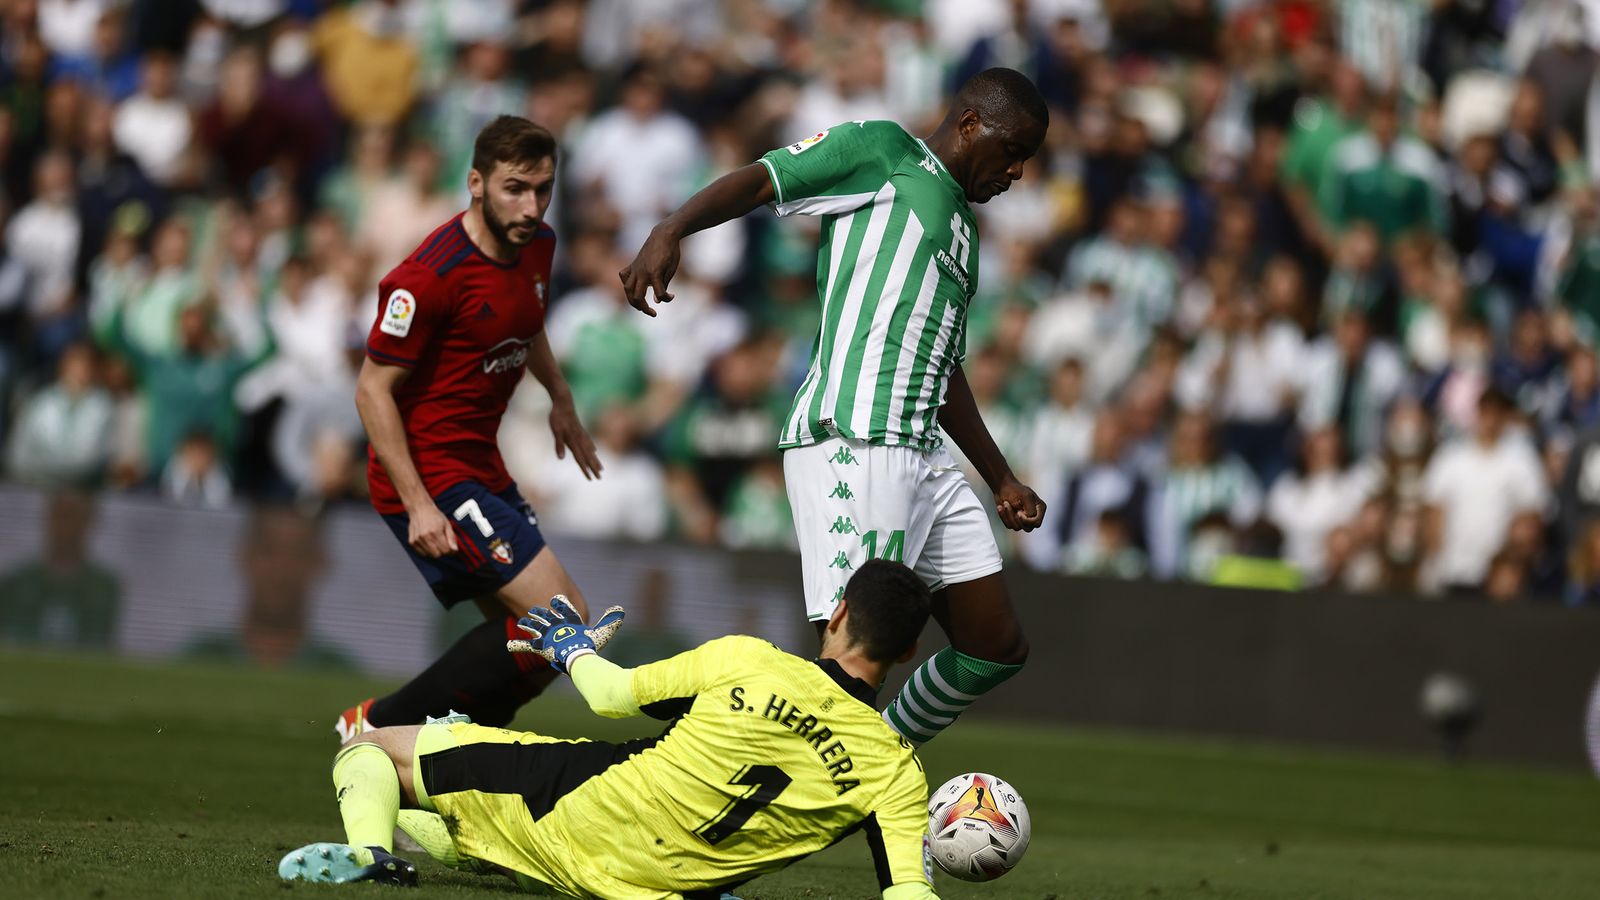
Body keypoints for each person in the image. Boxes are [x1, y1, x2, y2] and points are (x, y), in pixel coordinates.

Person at [620, 67, 1050, 747]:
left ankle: (877, 756)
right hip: (858, 437)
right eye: (1012, 148)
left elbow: (944, 366)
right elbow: (765, 179)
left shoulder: (965, 233)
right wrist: (672, 228)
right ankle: (706, 779)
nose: (1019, 170)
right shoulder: (884, 151)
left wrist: (999, 477)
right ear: (970, 123)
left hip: (926, 458)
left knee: (995, 644)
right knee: (850, 666)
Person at [280, 561, 941, 899]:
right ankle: (447, 839)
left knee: (372, 746)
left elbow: (614, 697)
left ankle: (370, 854)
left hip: (577, 815)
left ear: (839, 612)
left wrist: (572, 649)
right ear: (908, 653)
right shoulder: (895, 771)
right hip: (656, 889)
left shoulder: (748, 659)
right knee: (480, 823)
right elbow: (908, 890)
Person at [336, 116, 605, 741]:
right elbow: (372, 390)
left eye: (543, 189)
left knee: (535, 654)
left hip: (481, 467)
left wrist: (560, 397)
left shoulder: (537, 246)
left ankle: (436, 759)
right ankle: (375, 725)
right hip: (431, 475)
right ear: (476, 183)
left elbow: (526, 320)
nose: (532, 205)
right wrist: (419, 506)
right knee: (562, 620)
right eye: (516, 188)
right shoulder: (428, 276)